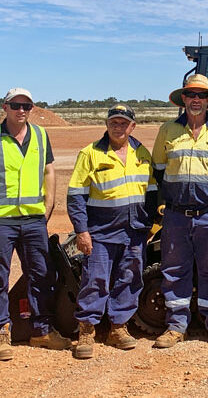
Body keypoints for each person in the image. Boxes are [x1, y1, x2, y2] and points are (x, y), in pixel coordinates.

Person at [0, 87, 71, 361]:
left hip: (34, 219)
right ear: (5, 107)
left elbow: (48, 169)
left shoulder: (40, 136)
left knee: (42, 273)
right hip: (0, 221)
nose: (21, 110)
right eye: (16, 105)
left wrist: (49, 204)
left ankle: (41, 331)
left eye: (26, 106)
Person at [151, 74, 208, 349]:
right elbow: (158, 170)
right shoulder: (167, 130)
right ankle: (176, 326)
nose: (196, 100)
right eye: (191, 95)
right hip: (177, 214)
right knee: (174, 269)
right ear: (183, 99)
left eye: (201, 96)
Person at [66, 104, 157, 359]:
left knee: (129, 278)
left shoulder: (142, 153)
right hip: (101, 231)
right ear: (107, 125)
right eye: (114, 122)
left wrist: (148, 223)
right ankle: (87, 329)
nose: (118, 127)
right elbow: (76, 196)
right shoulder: (90, 154)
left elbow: (151, 192)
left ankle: (118, 327)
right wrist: (82, 231)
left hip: (134, 230)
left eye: (123, 123)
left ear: (132, 126)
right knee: (95, 279)